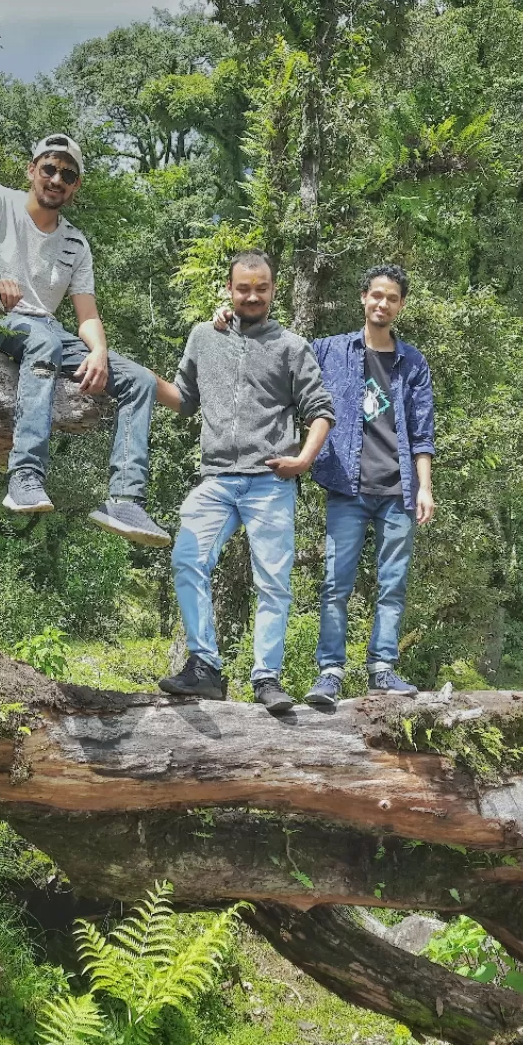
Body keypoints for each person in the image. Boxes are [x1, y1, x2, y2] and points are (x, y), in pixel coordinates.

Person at [0, 133, 170, 545]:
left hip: (45, 328)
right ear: (32, 170)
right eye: (49, 168)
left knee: (139, 380)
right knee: (43, 342)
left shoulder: (75, 243)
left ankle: (125, 500)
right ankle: (25, 476)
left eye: (67, 174)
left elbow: (86, 314)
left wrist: (98, 349)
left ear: (76, 185)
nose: (56, 178)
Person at [156, 251, 335, 716]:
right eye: (243, 288)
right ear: (229, 289)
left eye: (261, 288)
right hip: (215, 479)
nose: (251, 296)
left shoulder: (292, 346)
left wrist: (303, 459)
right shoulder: (203, 336)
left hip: (270, 481)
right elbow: (183, 400)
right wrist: (140, 378)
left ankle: (266, 678)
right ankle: (205, 668)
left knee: (273, 584)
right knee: (187, 559)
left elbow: (321, 410)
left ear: (273, 290)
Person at [305, 265, 435, 703]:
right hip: (347, 486)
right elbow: (280, 353)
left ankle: (382, 669)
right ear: (363, 298)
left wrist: (424, 487)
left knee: (393, 584)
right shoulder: (329, 350)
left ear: (400, 305)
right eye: (376, 295)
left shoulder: (412, 362)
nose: (382, 303)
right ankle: (330, 673)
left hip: (397, 491)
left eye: (392, 298)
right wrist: (229, 321)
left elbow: (421, 431)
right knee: (334, 583)